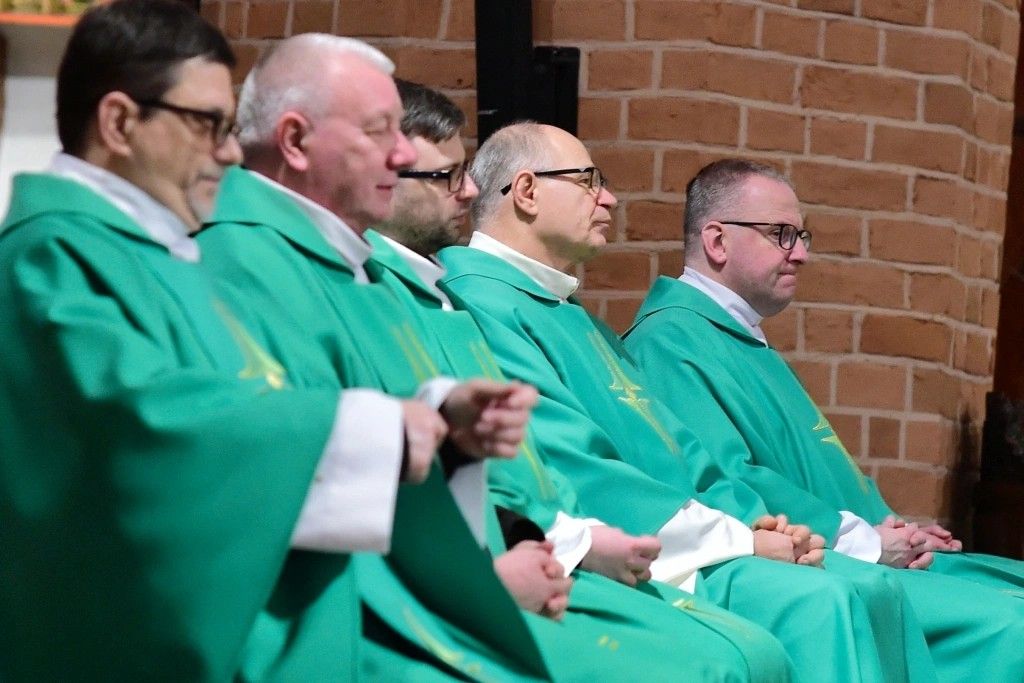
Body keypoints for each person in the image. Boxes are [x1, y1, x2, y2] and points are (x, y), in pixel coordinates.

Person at [198, 34, 787, 681]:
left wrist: (476, 466)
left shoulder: (358, 272)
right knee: (706, 665)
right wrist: (492, 571)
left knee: (747, 653)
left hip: (460, 565)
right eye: (379, 131)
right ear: (294, 141)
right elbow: (256, 472)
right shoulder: (244, 260)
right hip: (337, 611)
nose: (404, 154)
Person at [0, 1, 496, 680]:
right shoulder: (49, 257)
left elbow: (247, 399)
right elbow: (142, 429)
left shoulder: (155, 252)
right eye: (208, 124)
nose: (231, 151)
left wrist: (429, 420)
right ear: (119, 123)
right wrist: (372, 428)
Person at [438, 122, 941, 683]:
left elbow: (685, 453)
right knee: (827, 602)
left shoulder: (572, 317)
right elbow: (579, 467)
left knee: (868, 590)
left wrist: (760, 524)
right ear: (528, 192)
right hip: (627, 552)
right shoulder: (479, 302)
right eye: (589, 181)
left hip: (693, 536)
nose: (610, 198)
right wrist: (742, 538)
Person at [367, 78, 796, 681]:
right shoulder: (465, 299)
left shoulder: (545, 314)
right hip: (468, 567)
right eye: (589, 181)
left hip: (561, 540)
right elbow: (556, 459)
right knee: (739, 651)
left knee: (763, 643)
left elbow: (676, 450)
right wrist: (559, 544)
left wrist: (748, 522)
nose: (469, 191)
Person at [623, 157, 1024, 680]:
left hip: (861, 551)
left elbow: (813, 466)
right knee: (1011, 626)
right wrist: (865, 540)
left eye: (802, 235)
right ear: (717, 241)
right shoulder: (668, 341)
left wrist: (896, 529)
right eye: (782, 235)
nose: (801, 253)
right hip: (812, 563)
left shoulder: (735, 337)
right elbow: (724, 482)